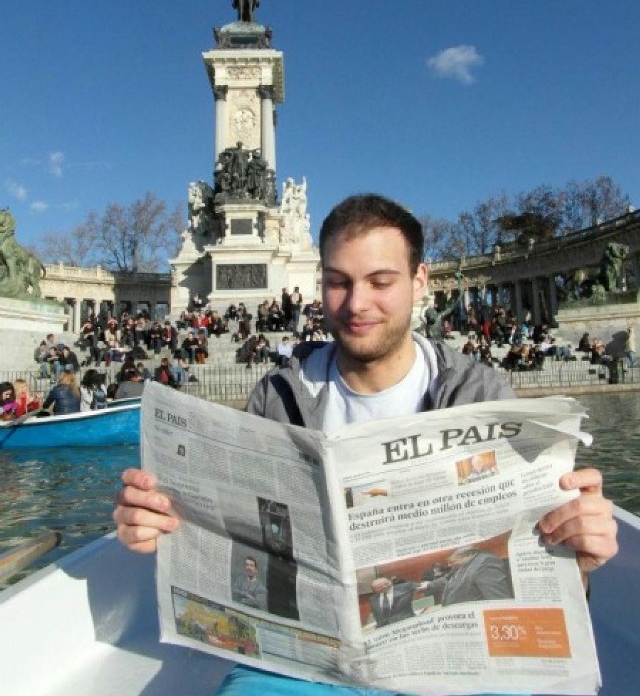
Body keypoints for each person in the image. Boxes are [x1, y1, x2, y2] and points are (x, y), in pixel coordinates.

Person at [114, 193, 617, 695]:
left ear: (420, 282)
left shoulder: (480, 394)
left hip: (454, 662)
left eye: (381, 281)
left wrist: (577, 560)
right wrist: (161, 525)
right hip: (306, 663)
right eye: (338, 283)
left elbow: (533, 583)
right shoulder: (277, 395)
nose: (357, 304)